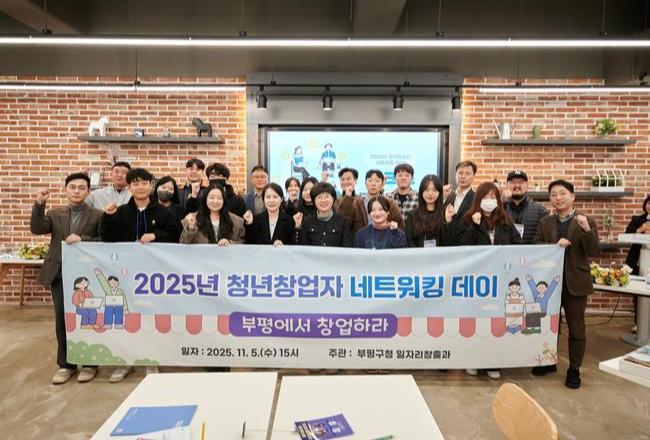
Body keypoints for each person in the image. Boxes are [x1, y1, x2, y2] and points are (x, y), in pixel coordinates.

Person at [30, 172, 103, 384]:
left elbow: (104, 241)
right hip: (60, 273)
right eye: (72, 187)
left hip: (86, 276)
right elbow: (37, 228)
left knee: (87, 318)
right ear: (65, 190)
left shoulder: (98, 215)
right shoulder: (55, 214)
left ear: (88, 191)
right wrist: (39, 203)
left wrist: (83, 239)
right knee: (62, 318)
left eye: (82, 188)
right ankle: (66, 364)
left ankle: (90, 363)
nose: (77, 191)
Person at [533, 179, 600, 389]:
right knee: (549, 325)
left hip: (575, 283)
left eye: (562, 193)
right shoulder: (545, 222)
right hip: (549, 284)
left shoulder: (586, 221)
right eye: (553, 194)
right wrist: (554, 246)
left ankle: (574, 368)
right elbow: (536, 248)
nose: (558, 198)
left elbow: (594, 251)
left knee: (576, 327)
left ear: (573, 196)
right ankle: (548, 360)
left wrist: (587, 230)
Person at [457, 181, 523, 380]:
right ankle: (473, 360)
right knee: (476, 323)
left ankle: (494, 362)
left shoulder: (505, 220)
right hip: (476, 282)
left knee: (495, 323)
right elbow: (460, 247)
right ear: (478, 200)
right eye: (485, 197)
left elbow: (518, 245)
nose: (489, 201)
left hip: (500, 281)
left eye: (492, 197)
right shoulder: (468, 219)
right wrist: (474, 226)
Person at [101, 168, 178, 244]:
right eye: (136, 184)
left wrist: (155, 236)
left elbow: (174, 237)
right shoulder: (120, 212)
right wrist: (108, 216)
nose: (141, 187)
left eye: (144, 183)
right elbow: (107, 238)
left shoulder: (165, 213)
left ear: (151, 186)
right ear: (129, 188)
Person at [337, 169, 403, 234]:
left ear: (383, 184)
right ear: (365, 183)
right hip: (361, 240)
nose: (373, 184)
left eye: (377, 181)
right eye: (370, 180)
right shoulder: (357, 203)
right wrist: (348, 197)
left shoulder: (390, 203)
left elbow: (400, 224)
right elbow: (342, 221)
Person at [180, 184, 245, 245]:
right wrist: (191, 227)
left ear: (224, 200)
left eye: (219, 198)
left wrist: (230, 243)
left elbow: (242, 242)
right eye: (211, 198)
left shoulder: (235, 221)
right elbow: (184, 244)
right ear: (205, 199)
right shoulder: (193, 218)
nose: (215, 201)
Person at [404, 175, 456, 248]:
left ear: (440, 192)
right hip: (418, 254)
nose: (430, 193)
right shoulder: (412, 215)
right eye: (426, 190)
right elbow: (409, 241)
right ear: (421, 192)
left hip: (440, 254)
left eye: (434, 190)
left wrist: (448, 222)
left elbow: (450, 242)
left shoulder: (446, 212)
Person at [295, 182, 353, 247]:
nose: (323, 200)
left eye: (327, 197)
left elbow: (347, 248)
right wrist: (298, 227)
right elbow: (302, 248)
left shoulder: (343, 223)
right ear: (314, 201)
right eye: (319, 197)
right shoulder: (307, 222)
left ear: (333, 199)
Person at [624, 195, 650, 334]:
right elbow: (626, 236)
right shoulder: (637, 219)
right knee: (637, 294)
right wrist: (640, 229)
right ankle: (638, 323)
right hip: (637, 261)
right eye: (648, 203)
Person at [502, 170, 549, 244]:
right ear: (507, 185)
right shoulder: (500, 210)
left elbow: (548, 236)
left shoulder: (540, 211)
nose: (517, 186)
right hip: (506, 251)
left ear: (527, 185)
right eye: (513, 182)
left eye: (521, 182)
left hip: (532, 251)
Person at [153, 175, 184, 242]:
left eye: (170, 189)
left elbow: (178, 233)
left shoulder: (178, 209)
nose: (166, 190)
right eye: (163, 187)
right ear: (157, 188)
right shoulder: (150, 207)